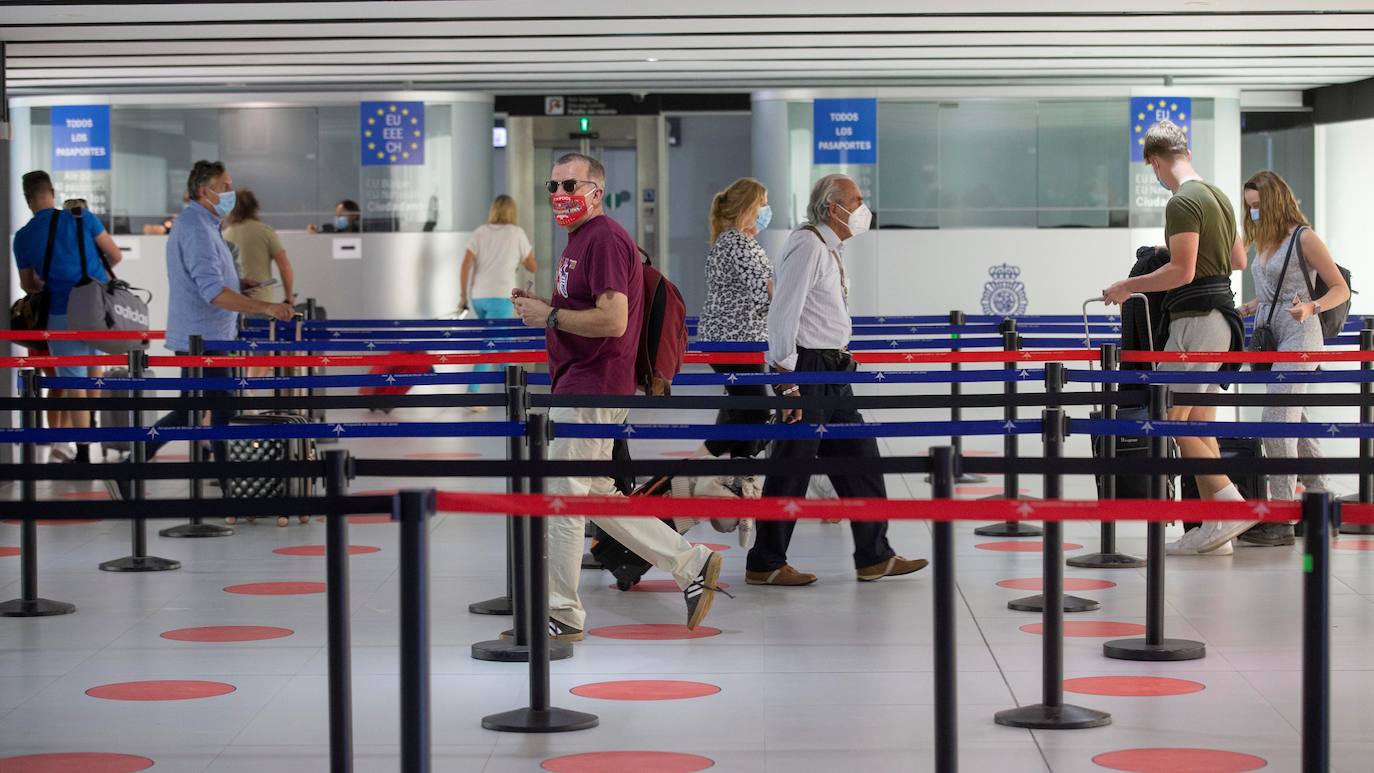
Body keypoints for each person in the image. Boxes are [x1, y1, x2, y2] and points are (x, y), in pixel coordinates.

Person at [511, 152, 726, 641]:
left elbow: (613, 320)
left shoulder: (605, 239)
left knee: (563, 497)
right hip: (581, 382)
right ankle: (692, 564)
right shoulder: (578, 241)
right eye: (554, 185)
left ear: (596, 191)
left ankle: (562, 614)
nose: (560, 195)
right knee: (601, 496)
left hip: (593, 384)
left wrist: (548, 315)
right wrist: (542, 308)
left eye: (571, 186)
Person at [744, 174, 928, 586]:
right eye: (856, 200)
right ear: (833, 208)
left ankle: (874, 555)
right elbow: (782, 313)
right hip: (807, 372)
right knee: (790, 468)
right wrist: (787, 381)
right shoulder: (808, 244)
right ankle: (765, 561)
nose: (863, 208)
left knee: (860, 459)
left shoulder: (829, 247)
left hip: (832, 372)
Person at [1103, 120, 1252, 556]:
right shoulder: (1219, 196)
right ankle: (1215, 525)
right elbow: (1239, 258)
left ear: (1154, 161)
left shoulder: (1183, 201)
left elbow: (1181, 273)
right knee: (1197, 421)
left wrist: (1127, 286)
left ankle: (1230, 504)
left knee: (1167, 414)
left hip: (1194, 319)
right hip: (1222, 320)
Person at [106, 161, 293, 498]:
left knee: (211, 409)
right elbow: (213, 292)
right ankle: (214, 478)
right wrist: (266, 307)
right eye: (224, 186)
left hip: (211, 336)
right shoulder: (195, 228)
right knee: (203, 410)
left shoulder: (207, 225)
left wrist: (240, 283)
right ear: (204, 191)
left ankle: (222, 478)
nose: (229, 192)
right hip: (202, 340)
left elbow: (214, 282)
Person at [1237, 170, 1349, 546]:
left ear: (1274, 202)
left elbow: (1340, 288)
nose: (1252, 213)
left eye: (1257, 206)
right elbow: (1274, 289)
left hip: (1301, 334)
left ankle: (1282, 517)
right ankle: (1322, 502)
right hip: (1270, 333)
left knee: (1275, 419)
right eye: (1249, 206)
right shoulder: (1266, 240)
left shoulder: (1304, 238)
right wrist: (1253, 305)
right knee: (1293, 417)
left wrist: (1312, 308)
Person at [13, 172, 123, 464]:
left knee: (74, 384)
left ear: (27, 198)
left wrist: (48, 280)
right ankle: (94, 431)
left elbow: (29, 285)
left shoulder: (23, 237)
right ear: (52, 191)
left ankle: (84, 454)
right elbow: (114, 255)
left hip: (61, 313)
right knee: (95, 372)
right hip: (98, 309)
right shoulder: (81, 217)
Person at [460, 194, 536, 395]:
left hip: (478, 297)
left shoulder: (480, 232)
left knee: (502, 343)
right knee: (493, 344)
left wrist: (462, 296)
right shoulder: (516, 233)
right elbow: (533, 265)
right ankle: (473, 391)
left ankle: (513, 391)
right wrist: (515, 260)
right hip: (501, 297)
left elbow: (466, 264)